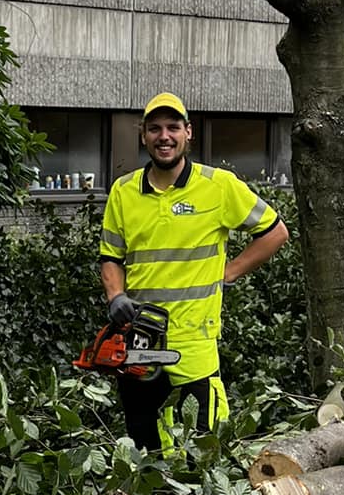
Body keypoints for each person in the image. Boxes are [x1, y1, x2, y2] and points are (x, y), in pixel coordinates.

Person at [98, 93, 288, 451]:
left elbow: (275, 232)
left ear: (188, 132)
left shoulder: (218, 185)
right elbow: (111, 256)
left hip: (195, 344)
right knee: (146, 450)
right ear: (143, 135)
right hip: (140, 342)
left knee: (201, 452)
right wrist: (115, 295)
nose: (164, 136)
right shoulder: (123, 192)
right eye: (154, 128)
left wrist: (227, 273)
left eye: (173, 127)